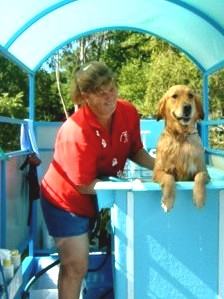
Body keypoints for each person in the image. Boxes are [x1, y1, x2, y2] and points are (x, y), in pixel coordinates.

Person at [40, 61, 155, 299]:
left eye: (111, 87)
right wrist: (124, 188)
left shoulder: (128, 112)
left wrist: (161, 168)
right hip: (63, 201)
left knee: (75, 264)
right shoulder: (76, 130)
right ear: (85, 97)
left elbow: (135, 149)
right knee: (76, 265)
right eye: (100, 92)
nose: (109, 96)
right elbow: (82, 184)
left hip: (92, 197)